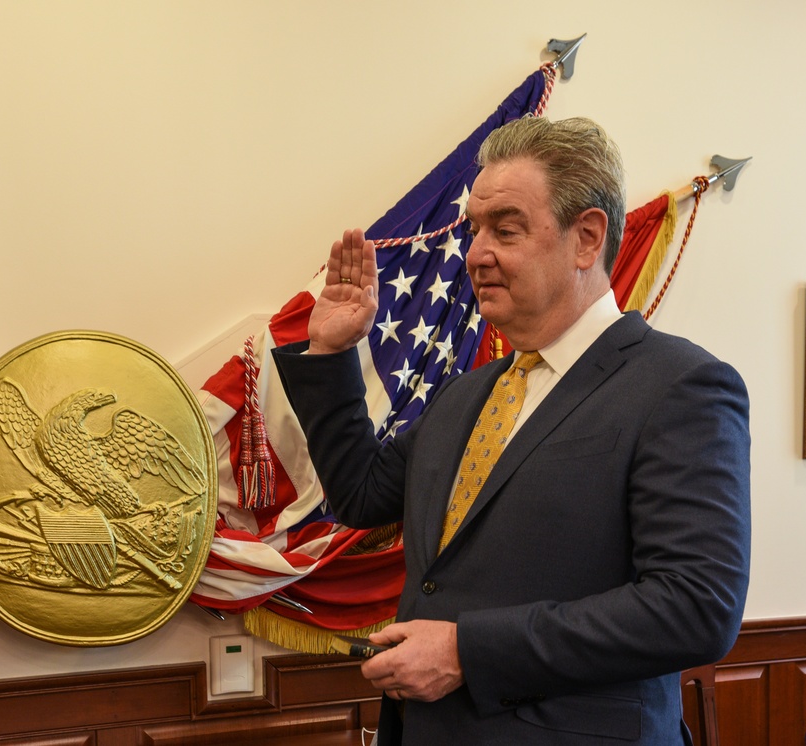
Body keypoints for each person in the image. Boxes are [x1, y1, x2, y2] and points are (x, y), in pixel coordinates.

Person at [272, 116, 751, 745]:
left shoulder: (681, 386)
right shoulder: (471, 393)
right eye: (474, 230)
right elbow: (361, 495)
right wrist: (334, 355)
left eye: (506, 229)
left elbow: (695, 608)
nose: (476, 253)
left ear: (586, 238)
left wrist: (468, 652)